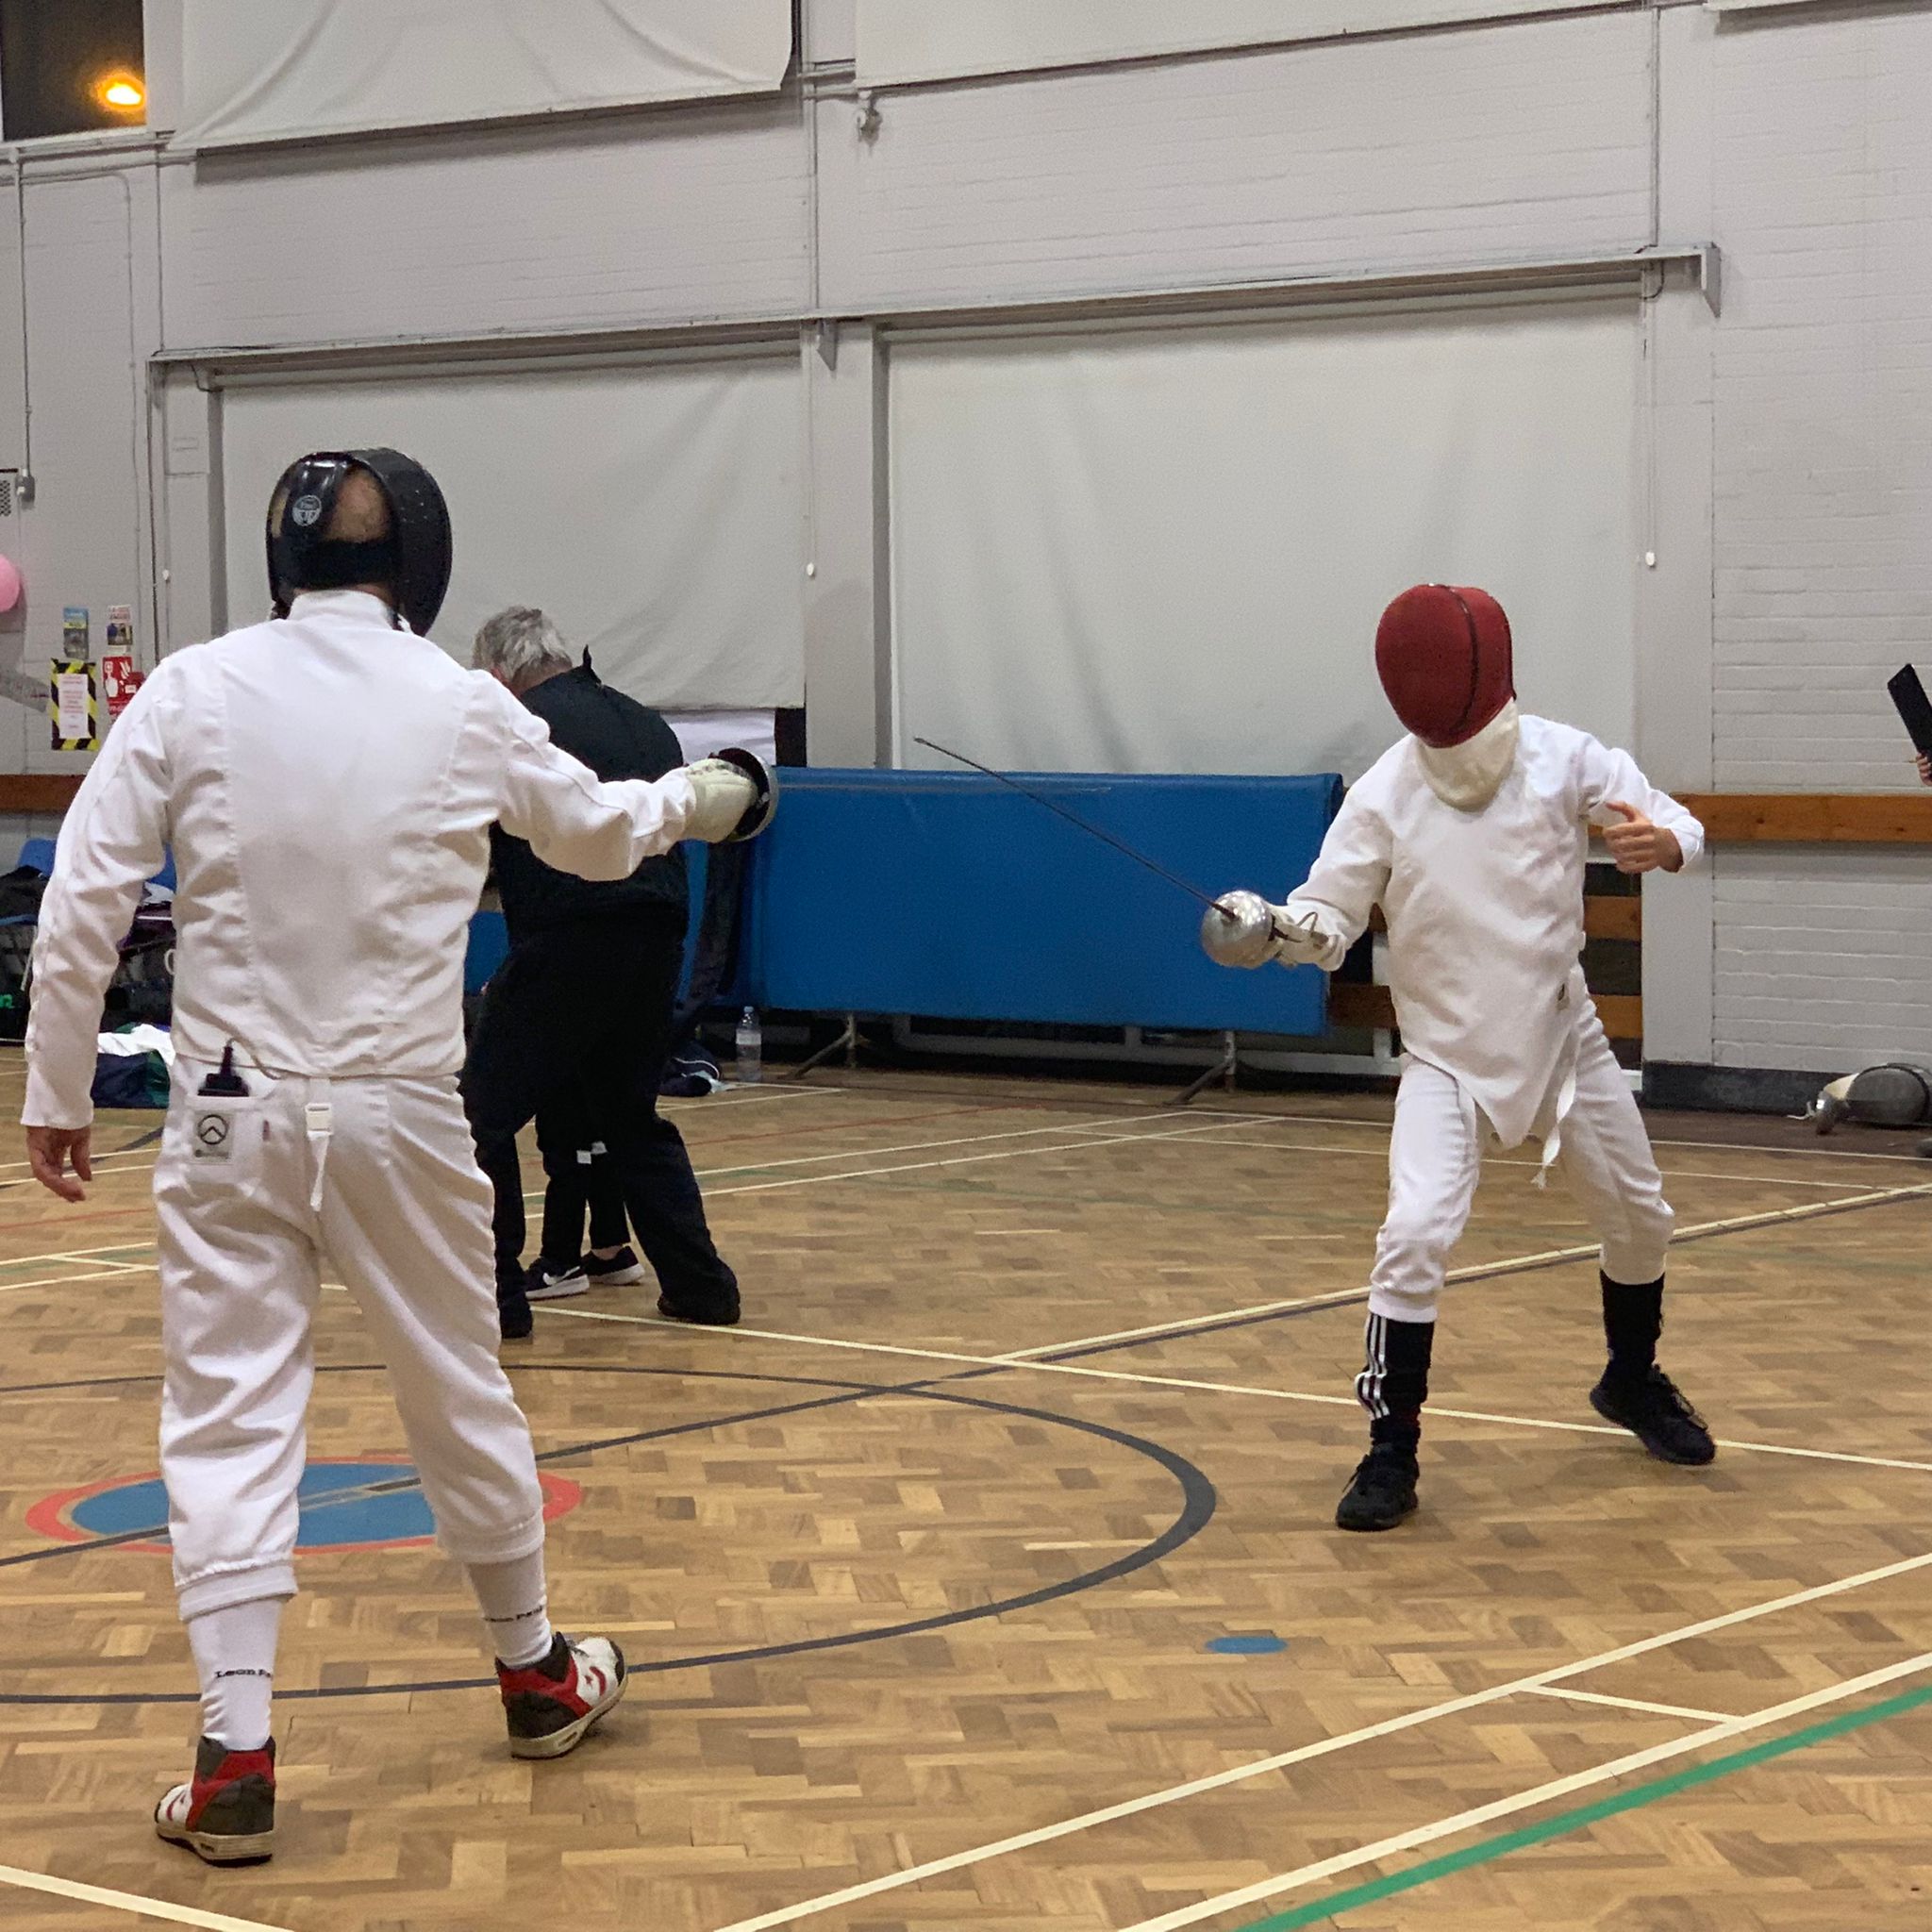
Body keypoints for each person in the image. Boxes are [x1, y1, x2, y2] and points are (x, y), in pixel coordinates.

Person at [19, 449, 769, 1864]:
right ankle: (537, 1674)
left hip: (230, 1116)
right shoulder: (461, 701)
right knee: (456, 1388)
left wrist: (57, 1090)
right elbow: (604, 839)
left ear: (276, 559)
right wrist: (708, 797)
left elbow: (83, 900)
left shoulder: (190, 686)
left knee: (230, 1418)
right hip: (405, 1114)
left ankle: (236, 1755)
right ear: (415, 562)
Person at [1207, 584, 1715, 1533]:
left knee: (1640, 1218)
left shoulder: (1566, 756)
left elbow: (1677, 820)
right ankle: (1388, 1447)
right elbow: (1332, 905)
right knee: (1412, 1235)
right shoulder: (1384, 792)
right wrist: (1286, 928)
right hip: (1443, 1054)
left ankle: (1630, 1378)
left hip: (1563, 1035)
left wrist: (1665, 845)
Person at [463, 608, 749, 1340]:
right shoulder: (646, 721)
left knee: (479, 1117)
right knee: (631, 1118)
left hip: (571, 936)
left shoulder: (522, 728)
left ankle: (497, 1299)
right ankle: (701, 1286)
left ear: (499, 676)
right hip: (657, 937)